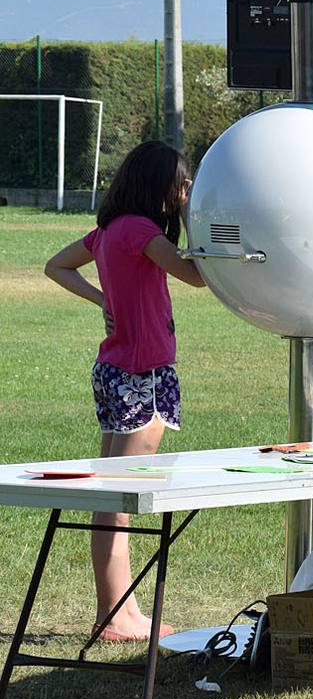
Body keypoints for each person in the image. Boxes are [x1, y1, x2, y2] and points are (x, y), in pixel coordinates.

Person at [43, 140, 206, 641]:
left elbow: (56, 265)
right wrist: (200, 221)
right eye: (182, 184)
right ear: (162, 187)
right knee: (121, 493)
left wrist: (102, 299)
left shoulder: (109, 230)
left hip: (115, 368)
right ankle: (115, 616)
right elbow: (197, 276)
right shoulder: (142, 231)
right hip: (143, 374)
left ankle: (121, 609)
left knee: (111, 489)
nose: (187, 191)